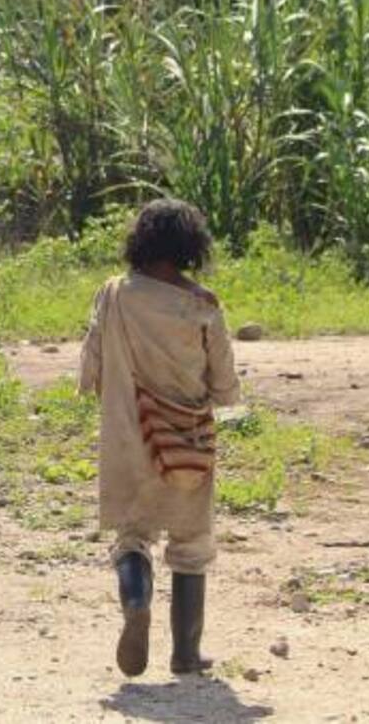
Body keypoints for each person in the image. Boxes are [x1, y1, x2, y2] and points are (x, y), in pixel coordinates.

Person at [79, 199, 240, 677]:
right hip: (185, 439)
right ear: (192, 246)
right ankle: (186, 655)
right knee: (191, 543)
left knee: (132, 536)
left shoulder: (112, 295)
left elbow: (90, 367)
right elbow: (225, 383)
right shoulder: (202, 305)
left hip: (127, 436)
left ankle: (136, 601)